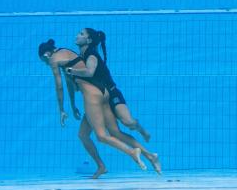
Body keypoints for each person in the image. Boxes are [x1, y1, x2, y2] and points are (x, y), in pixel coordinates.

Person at [38, 39, 149, 178]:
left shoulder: (54, 60)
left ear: (46, 55)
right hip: (103, 92)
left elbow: (59, 87)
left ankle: (132, 152)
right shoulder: (67, 54)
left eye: (44, 61)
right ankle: (102, 166)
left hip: (92, 96)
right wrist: (73, 106)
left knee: (102, 136)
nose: (46, 64)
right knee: (86, 134)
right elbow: (69, 85)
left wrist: (61, 110)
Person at [66, 29, 161, 174]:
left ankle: (142, 130)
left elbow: (90, 72)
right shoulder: (81, 56)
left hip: (111, 92)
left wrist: (71, 71)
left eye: (81, 34)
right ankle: (150, 155)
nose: (77, 35)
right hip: (99, 98)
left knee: (128, 123)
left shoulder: (91, 55)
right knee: (111, 133)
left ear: (89, 40)